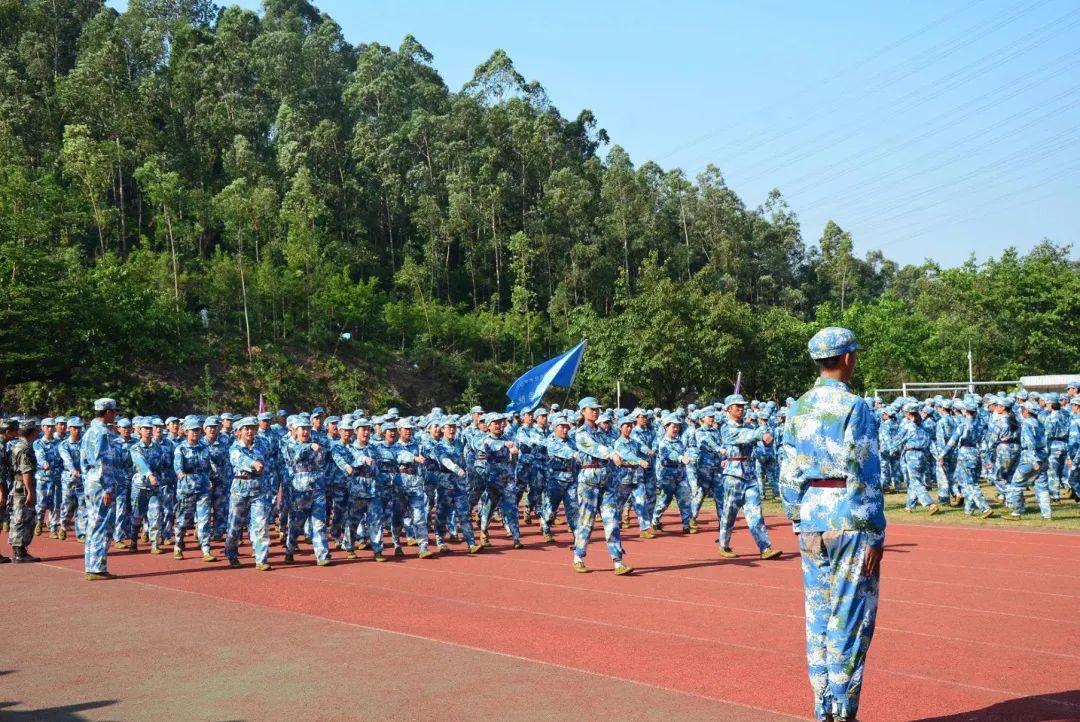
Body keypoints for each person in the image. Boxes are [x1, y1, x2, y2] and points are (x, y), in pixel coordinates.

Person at [780, 326, 886, 722]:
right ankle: (844, 711)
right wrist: (875, 531)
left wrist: (796, 517)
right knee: (851, 617)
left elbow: (788, 472)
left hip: (811, 518)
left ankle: (823, 707)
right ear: (846, 358)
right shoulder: (854, 407)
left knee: (819, 617)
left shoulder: (799, 407)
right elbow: (865, 471)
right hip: (849, 517)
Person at [571, 397, 631, 575]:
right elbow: (594, 448)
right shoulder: (580, 433)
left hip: (607, 482)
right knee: (586, 522)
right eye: (591, 409)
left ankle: (618, 561)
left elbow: (617, 446)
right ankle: (578, 556)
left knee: (612, 521)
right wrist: (612, 453)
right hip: (589, 482)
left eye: (597, 409)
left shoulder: (605, 432)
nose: (595, 411)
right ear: (582, 411)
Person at [717, 395, 781, 560]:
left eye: (742, 406)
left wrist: (767, 439)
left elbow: (759, 442)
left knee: (755, 513)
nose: (741, 408)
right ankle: (724, 544)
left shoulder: (749, 427)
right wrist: (760, 433)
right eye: (737, 406)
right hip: (733, 476)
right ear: (728, 409)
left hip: (749, 475)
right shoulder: (726, 428)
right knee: (729, 514)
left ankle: (765, 547)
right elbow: (745, 435)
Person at [226, 417, 272, 570]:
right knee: (235, 526)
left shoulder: (261, 446)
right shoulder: (234, 448)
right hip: (240, 489)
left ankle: (261, 559)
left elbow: (269, 460)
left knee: (261, 525)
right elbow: (238, 459)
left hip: (258, 488)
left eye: (253, 428)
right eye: (247, 428)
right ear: (239, 432)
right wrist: (253, 464)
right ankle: (231, 553)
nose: (250, 431)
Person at [82, 398, 120, 580]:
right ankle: (97, 568)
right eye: (114, 411)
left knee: (93, 524)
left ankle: (91, 565)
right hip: (100, 483)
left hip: (91, 482)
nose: (115, 414)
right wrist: (107, 488)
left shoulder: (89, 432)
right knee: (101, 525)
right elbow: (103, 462)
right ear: (107, 412)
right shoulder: (102, 433)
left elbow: (83, 462)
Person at [8, 420, 41, 563]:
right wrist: (30, 492)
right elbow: (26, 472)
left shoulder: (17, 446)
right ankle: (19, 552)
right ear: (32, 432)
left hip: (18, 484)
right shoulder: (25, 448)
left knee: (19, 517)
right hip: (22, 487)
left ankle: (18, 551)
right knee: (22, 518)